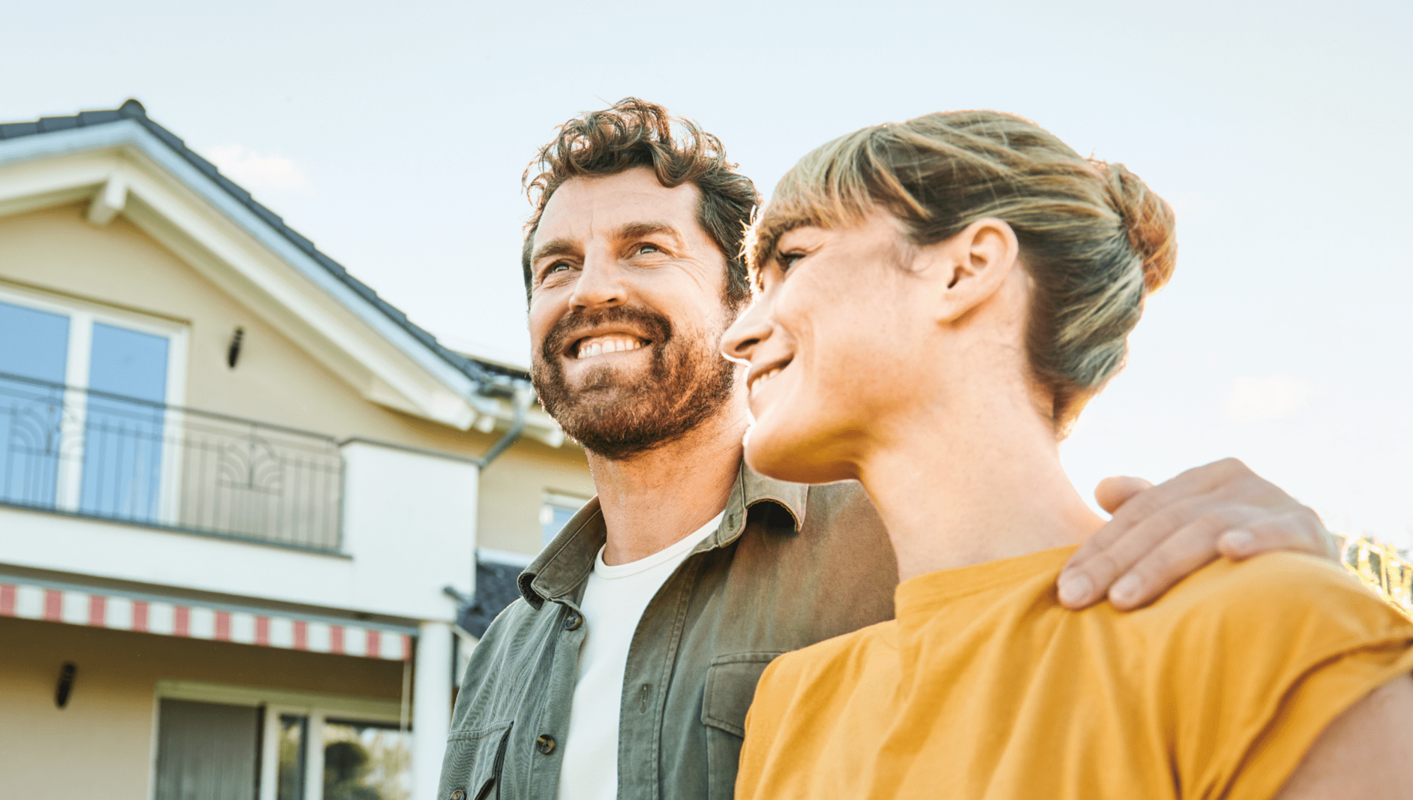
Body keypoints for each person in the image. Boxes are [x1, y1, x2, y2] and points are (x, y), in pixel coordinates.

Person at [439, 99, 1341, 800]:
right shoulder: (506, 648)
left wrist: (1286, 578)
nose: (591, 290)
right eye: (556, 266)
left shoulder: (898, 554)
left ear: (731, 301)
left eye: (646, 249)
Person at [724, 110, 1413, 799]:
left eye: (793, 260)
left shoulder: (1264, 623)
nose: (740, 335)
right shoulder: (793, 704)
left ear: (966, 270)